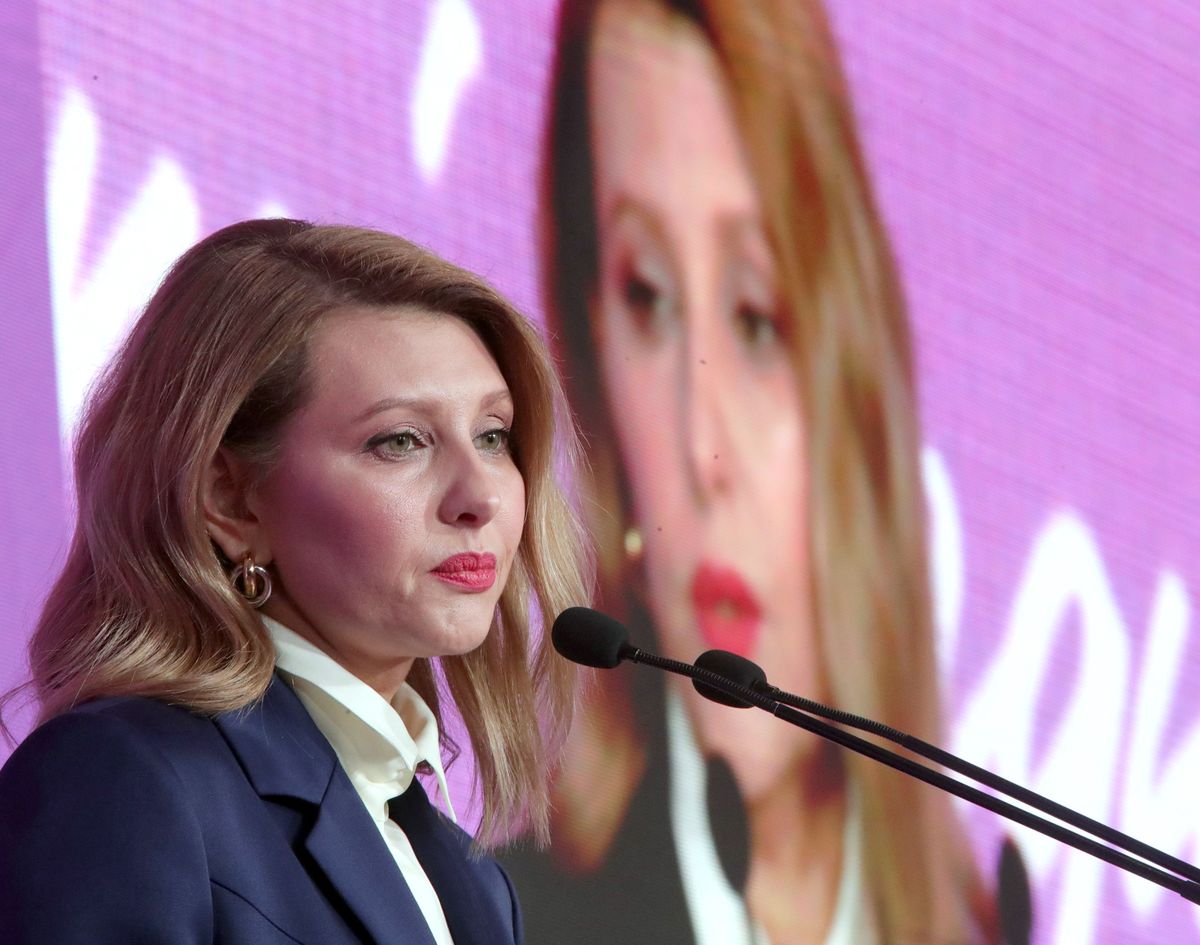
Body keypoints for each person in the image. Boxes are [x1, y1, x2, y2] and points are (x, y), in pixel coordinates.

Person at [501, 0, 997, 943]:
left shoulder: (988, 922)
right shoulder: (509, 920)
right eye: (647, 296)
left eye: (758, 317)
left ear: (857, 380)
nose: (701, 448)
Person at [0, 218, 591, 944]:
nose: (484, 496)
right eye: (401, 440)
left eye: (494, 435)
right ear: (230, 499)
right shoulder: (124, 783)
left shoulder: (472, 884)